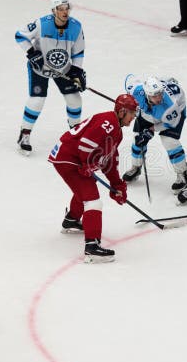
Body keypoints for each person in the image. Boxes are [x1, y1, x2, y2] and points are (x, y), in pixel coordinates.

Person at [48, 94, 138, 263]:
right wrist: (86, 163)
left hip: (72, 157)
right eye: (132, 112)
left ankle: (71, 220)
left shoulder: (116, 130)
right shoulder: (108, 123)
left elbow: (108, 159)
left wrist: (116, 184)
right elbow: (85, 143)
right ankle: (92, 247)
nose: (134, 116)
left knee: (86, 186)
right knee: (93, 201)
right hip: (68, 158)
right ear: (121, 112)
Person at [15, 0, 87, 155]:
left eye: (66, 8)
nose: (64, 12)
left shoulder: (76, 27)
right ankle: (24, 134)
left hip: (63, 69)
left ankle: (75, 135)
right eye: (60, 9)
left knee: (75, 99)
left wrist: (76, 70)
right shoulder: (42, 23)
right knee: (37, 100)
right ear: (54, 11)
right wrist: (32, 53)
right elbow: (20, 35)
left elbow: (79, 51)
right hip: (40, 68)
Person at [121, 74, 187, 192]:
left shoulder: (169, 107)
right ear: (147, 94)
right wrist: (130, 104)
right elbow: (129, 78)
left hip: (174, 116)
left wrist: (150, 131)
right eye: (154, 96)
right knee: (138, 139)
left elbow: (170, 124)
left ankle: (183, 175)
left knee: (170, 142)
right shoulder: (137, 90)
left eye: (160, 94)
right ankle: (136, 167)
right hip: (151, 113)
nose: (159, 98)